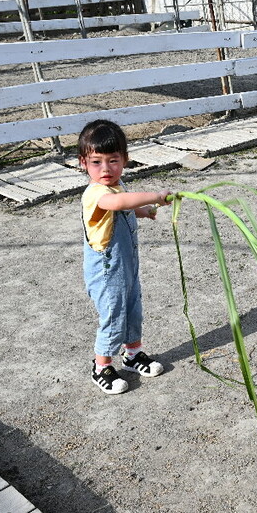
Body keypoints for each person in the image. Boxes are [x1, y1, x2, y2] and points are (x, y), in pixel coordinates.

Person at [79, 119, 172, 394]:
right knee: (113, 315)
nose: (105, 169)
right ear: (83, 162)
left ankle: (132, 355)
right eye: (96, 162)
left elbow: (123, 208)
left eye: (113, 160)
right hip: (106, 272)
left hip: (127, 267)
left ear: (125, 160)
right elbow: (116, 204)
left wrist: (143, 211)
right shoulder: (96, 193)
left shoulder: (117, 185)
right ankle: (101, 367)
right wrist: (154, 197)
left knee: (133, 310)